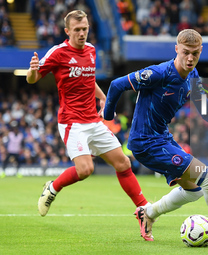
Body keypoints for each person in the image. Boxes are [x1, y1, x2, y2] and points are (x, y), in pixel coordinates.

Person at [104, 29, 208, 243]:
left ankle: (148, 214)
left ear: (201, 51)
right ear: (176, 49)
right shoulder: (159, 73)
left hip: (162, 138)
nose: (190, 58)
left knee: (195, 190)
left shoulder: (193, 76)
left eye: (195, 53)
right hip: (145, 143)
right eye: (186, 52)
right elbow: (116, 85)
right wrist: (108, 115)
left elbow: (205, 111)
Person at [26, 10, 148, 217]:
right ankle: (52, 188)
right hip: (72, 122)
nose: (82, 33)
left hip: (93, 119)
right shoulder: (58, 53)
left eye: (85, 29)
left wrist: (102, 98)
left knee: (123, 162)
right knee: (85, 170)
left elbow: (88, 79)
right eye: (77, 30)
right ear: (67, 31)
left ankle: (145, 209)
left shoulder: (91, 50)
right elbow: (33, 79)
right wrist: (32, 70)